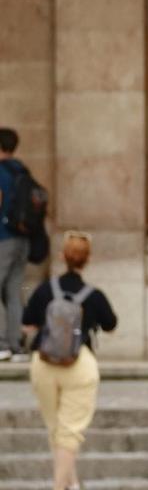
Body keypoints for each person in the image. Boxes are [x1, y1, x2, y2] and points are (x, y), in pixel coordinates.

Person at [22, 231, 117, 490]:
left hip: (43, 363)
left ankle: (71, 483)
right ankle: (59, 486)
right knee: (70, 432)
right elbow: (110, 324)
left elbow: (28, 322)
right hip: (79, 364)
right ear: (87, 260)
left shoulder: (44, 290)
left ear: (63, 256)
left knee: (56, 429)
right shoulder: (94, 295)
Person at [0, 127, 30, 361]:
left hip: (3, 237)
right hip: (22, 238)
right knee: (13, 293)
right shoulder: (22, 170)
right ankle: (15, 345)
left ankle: (2, 344)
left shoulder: (1, 172)